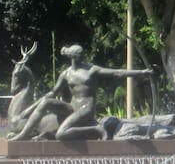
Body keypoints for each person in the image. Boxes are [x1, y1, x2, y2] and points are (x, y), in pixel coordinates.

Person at [9, 44, 152, 141]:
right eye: (79, 54)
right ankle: (23, 135)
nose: (82, 57)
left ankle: (96, 130)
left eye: (82, 54)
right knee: (46, 102)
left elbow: (117, 73)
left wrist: (141, 72)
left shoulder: (91, 70)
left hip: (86, 109)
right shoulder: (66, 74)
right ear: (73, 57)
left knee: (60, 134)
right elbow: (51, 94)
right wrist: (27, 111)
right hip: (71, 108)